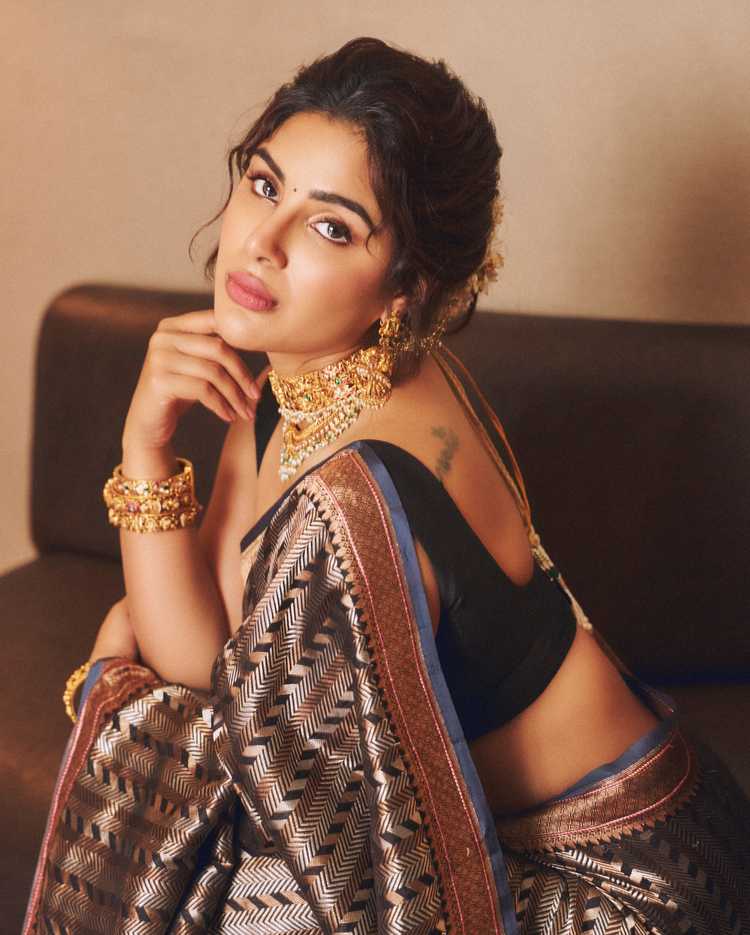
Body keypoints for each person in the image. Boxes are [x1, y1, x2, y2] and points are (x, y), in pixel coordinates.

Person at [25, 36, 750, 935]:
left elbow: (303, 838)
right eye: (265, 183)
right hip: (604, 826)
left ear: (405, 287)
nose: (262, 242)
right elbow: (209, 657)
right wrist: (145, 445)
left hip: (624, 890)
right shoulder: (308, 376)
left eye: (331, 226)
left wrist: (119, 687)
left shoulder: (356, 496)